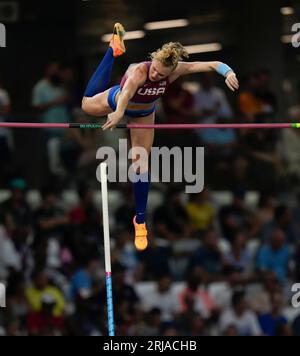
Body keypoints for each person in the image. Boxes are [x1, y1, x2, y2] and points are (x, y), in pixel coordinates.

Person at [82, 23, 239, 251]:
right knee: (87, 104)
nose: (156, 75)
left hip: (145, 113)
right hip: (119, 101)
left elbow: (213, 64)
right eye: (155, 69)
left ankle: (141, 220)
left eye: (161, 74)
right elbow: (126, 93)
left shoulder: (176, 70)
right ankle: (113, 50)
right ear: (153, 60)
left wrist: (229, 72)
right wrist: (117, 113)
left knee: (140, 165)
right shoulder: (140, 71)